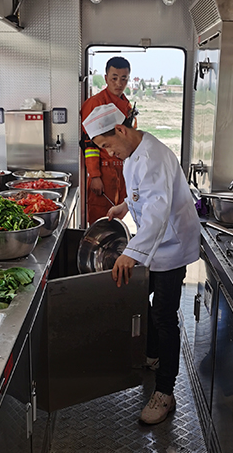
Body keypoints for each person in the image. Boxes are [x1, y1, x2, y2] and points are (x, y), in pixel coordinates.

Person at [82, 102, 200, 425]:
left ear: (120, 130)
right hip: (156, 242)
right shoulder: (134, 150)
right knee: (144, 299)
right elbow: (144, 195)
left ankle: (165, 392)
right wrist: (123, 205)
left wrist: (130, 252)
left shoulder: (152, 157)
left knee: (164, 314)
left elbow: (158, 216)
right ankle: (153, 353)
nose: (108, 153)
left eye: (107, 146)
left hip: (172, 245)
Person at [80, 56, 134, 225]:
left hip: (122, 171)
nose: (119, 83)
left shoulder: (126, 106)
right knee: (100, 218)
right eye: (114, 78)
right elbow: (89, 143)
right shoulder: (95, 104)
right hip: (103, 172)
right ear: (106, 78)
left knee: (118, 214)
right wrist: (95, 175)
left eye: (123, 79)